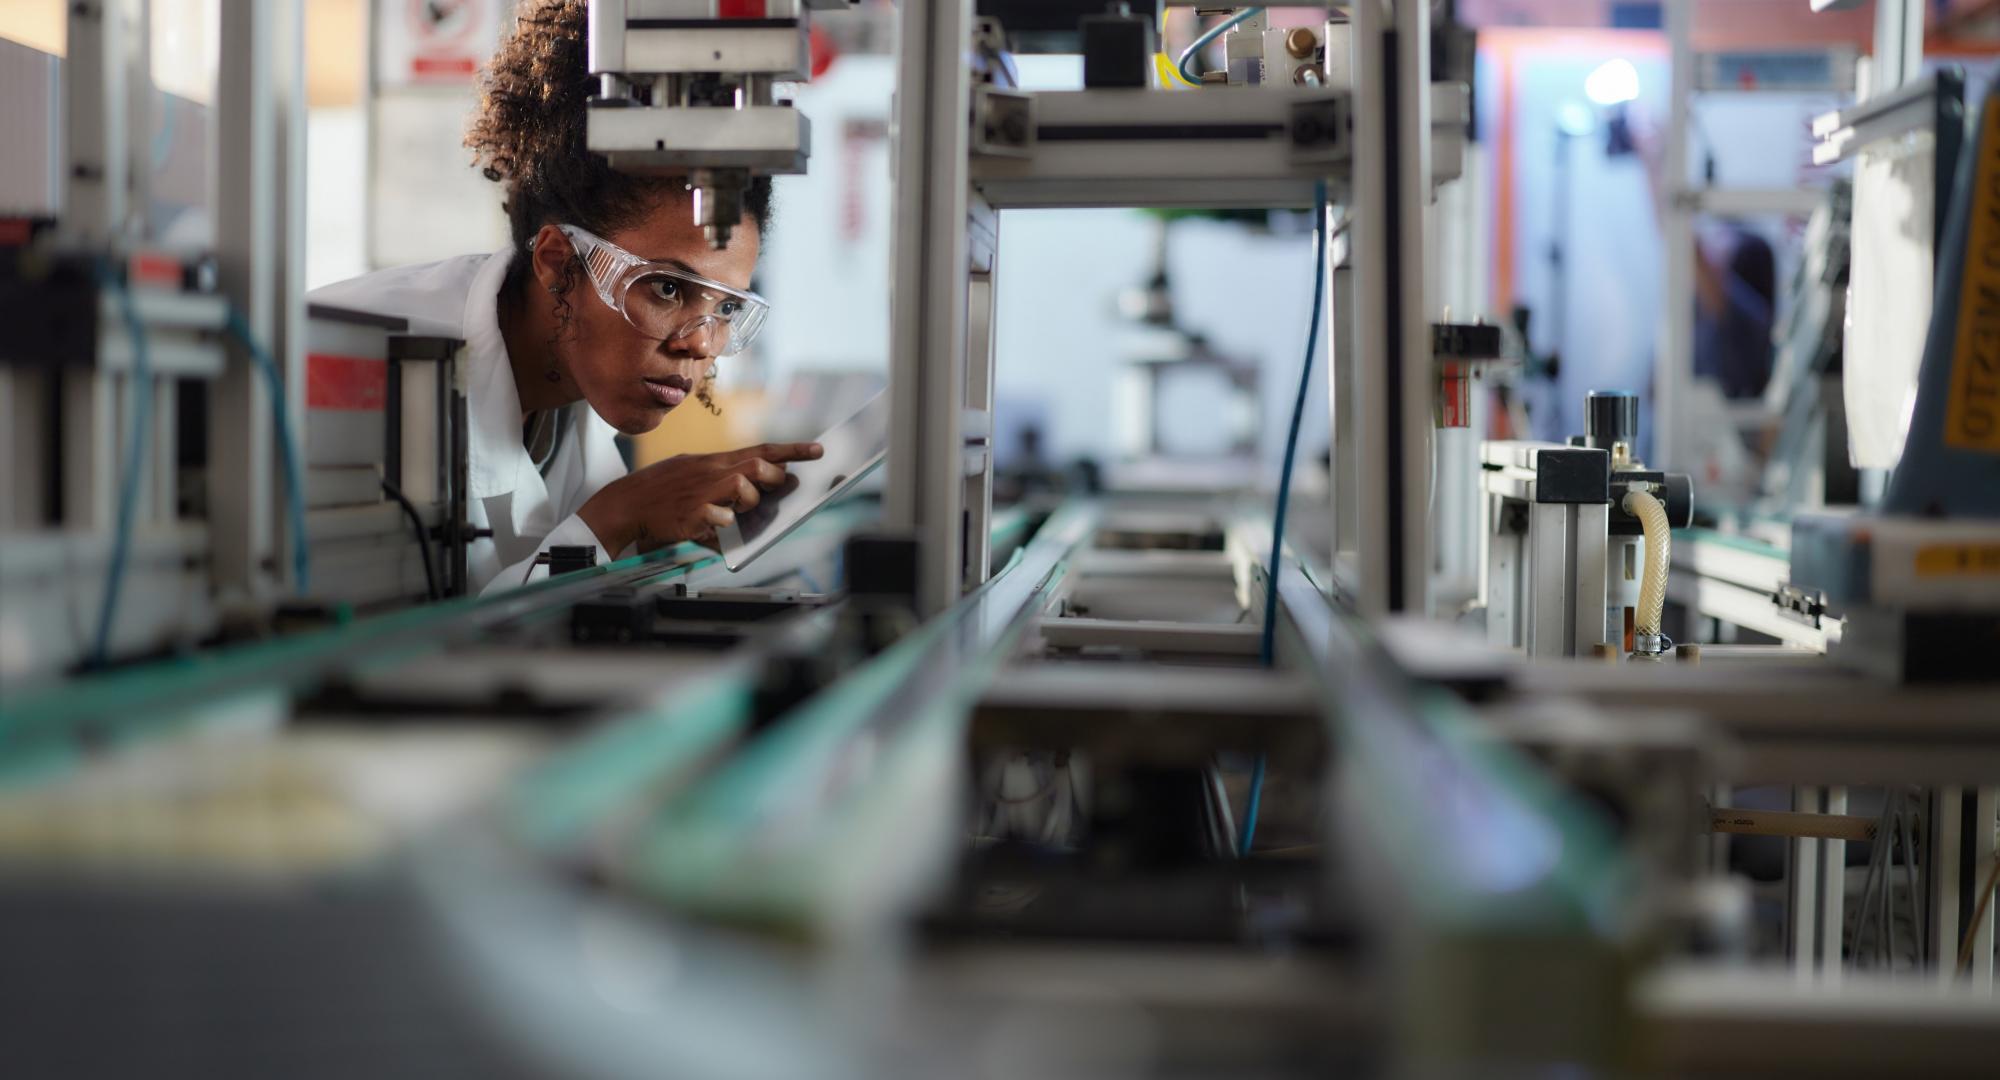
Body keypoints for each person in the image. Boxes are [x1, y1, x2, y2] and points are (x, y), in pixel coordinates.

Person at [309, 0, 820, 594]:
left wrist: (651, 526)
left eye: (727, 306)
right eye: (666, 287)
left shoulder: (571, 385)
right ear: (557, 262)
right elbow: (399, 647)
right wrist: (619, 516)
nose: (700, 344)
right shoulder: (366, 366)